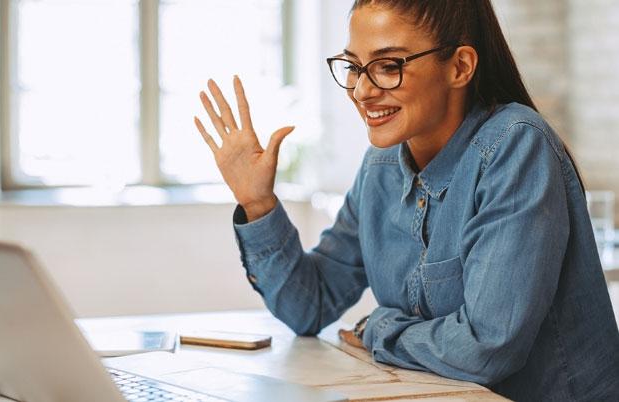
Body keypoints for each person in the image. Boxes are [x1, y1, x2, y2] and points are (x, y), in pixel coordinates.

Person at [193, 0, 619, 400]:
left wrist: (380, 328)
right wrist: (258, 203)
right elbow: (310, 305)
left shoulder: (515, 145)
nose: (361, 91)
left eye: (387, 66)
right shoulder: (381, 165)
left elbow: (487, 348)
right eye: (354, 67)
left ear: (460, 66)